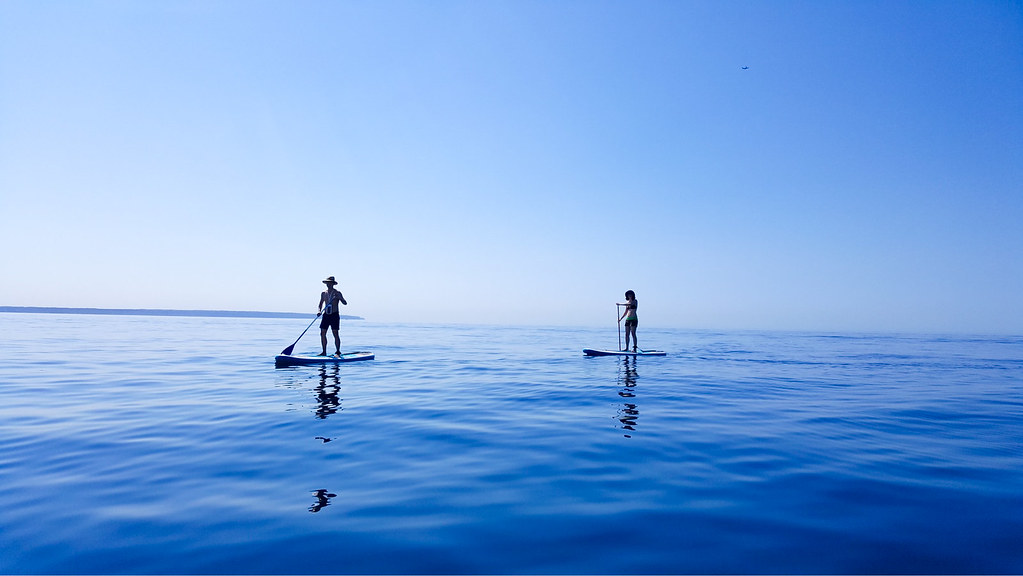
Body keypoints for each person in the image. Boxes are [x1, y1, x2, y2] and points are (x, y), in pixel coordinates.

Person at [317, 276, 348, 356]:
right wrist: (319, 311)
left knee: (335, 333)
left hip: (334, 315)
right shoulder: (323, 293)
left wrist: (339, 298)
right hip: (326, 315)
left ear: (333, 284)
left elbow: (345, 303)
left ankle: (338, 351)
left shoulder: (337, 293)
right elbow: (320, 304)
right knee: (322, 333)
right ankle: (324, 352)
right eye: (327, 283)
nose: (328, 284)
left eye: (330, 283)